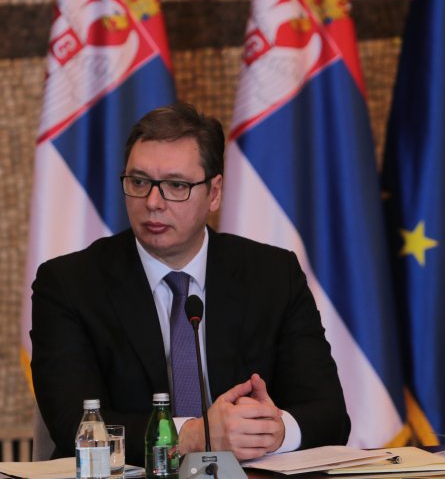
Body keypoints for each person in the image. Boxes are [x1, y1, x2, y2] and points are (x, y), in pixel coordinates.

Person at [31, 102, 349, 465]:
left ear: (214, 193)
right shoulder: (69, 284)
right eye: (139, 182)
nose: (153, 202)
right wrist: (193, 436)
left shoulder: (274, 275)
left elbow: (330, 415)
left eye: (176, 185)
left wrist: (273, 429)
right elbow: (73, 425)